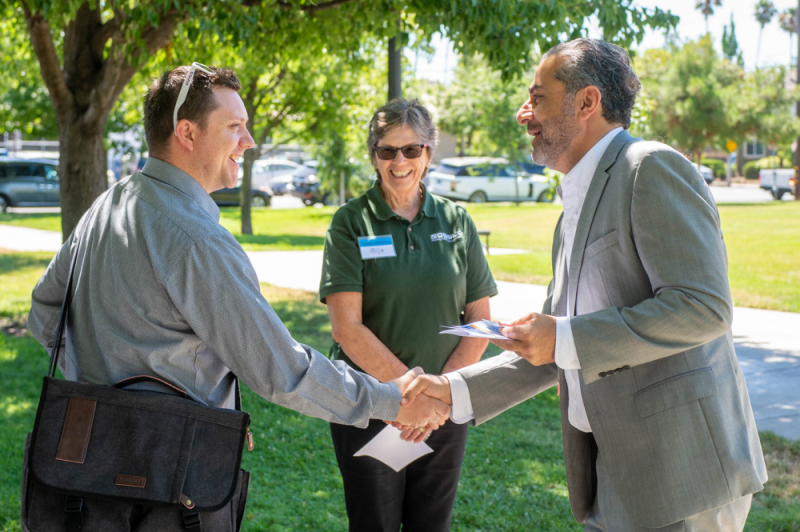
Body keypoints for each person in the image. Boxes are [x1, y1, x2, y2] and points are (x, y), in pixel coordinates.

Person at [27, 65, 449, 525]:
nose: (249, 142)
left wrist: (107, 396)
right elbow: (280, 369)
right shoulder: (195, 239)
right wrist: (390, 399)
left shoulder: (110, 204)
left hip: (86, 475)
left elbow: (45, 312)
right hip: (167, 491)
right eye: (235, 127)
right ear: (186, 132)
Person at [402, 39, 767, 532]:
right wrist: (450, 390)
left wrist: (566, 337)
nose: (522, 114)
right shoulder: (571, 209)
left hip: (682, 473)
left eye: (538, 98)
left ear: (587, 102)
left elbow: (703, 307)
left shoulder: (650, 167)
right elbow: (554, 348)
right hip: (609, 467)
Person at [319, 98, 498, 532]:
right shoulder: (351, 223)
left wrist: (438, 396)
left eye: (411, 149)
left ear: (429, 154)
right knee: (374, 524)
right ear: (374, 156)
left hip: (444, 410)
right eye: (387, 150)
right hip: (370, 405)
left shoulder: (457, 220)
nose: (399, 161)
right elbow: (347, 328)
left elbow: (481, 321)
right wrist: (406, 399)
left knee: (432, 525)